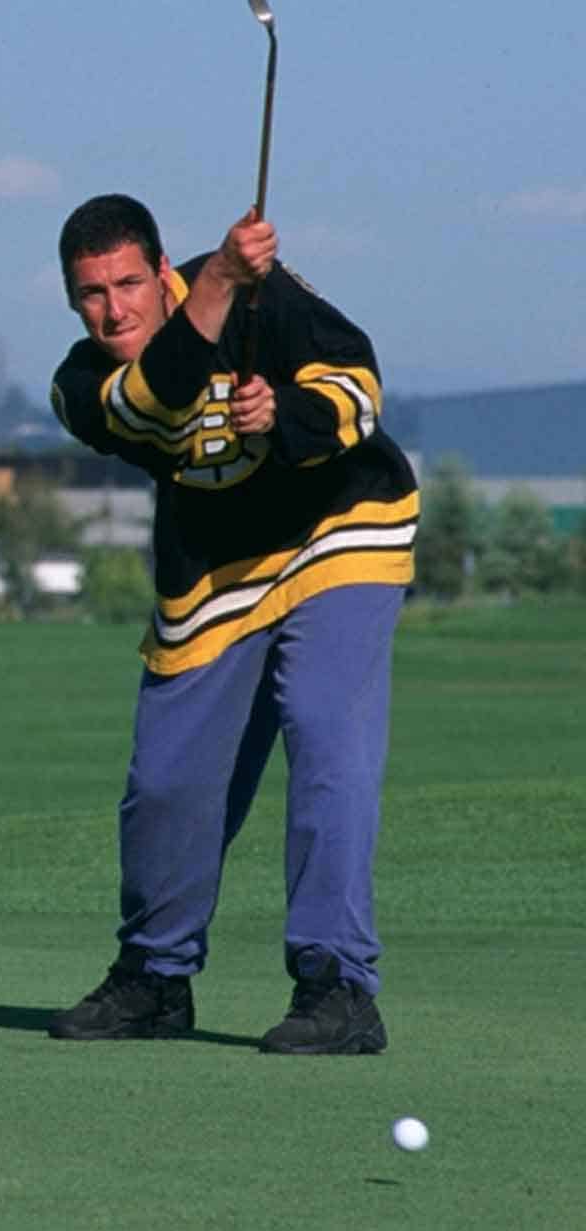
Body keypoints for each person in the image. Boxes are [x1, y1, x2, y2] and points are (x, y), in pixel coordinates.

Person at [44, 195, 420, 1054]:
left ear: (159, 269)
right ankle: (154, 978)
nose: (115, 309)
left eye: (131, 282)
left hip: (341, 532)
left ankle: (339, 987)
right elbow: (153, 406)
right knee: (167, 783)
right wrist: (215, 280)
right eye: (92, 294)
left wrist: (283, 414)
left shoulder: (268, 295)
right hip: (212, 576)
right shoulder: (79, 386)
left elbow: (357, 385)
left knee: (328, 738)